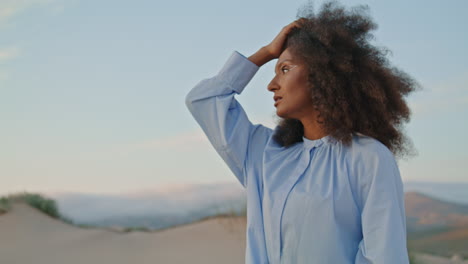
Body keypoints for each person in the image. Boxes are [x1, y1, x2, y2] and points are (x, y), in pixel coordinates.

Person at [185, 1, 418, 263]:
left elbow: (385, 256)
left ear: (323, 73)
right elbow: (204, 100)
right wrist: (266, 53)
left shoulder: (369, 158)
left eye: (285, 69)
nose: (272, 85)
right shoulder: (263, 151)